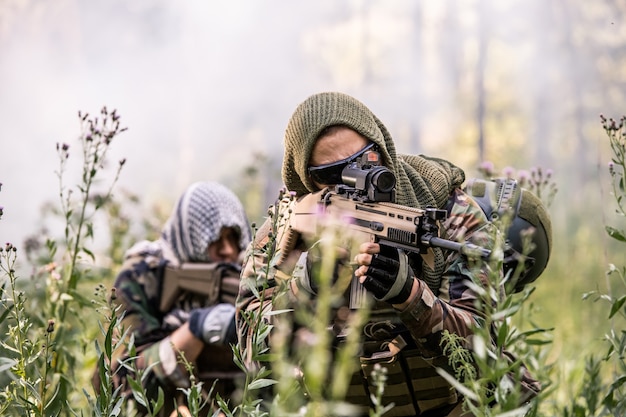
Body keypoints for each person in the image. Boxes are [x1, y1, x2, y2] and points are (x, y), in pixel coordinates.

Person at [236, 92, 540, 416]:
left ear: (381, 148)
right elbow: (252, 353)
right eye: (331, 175)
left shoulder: (449, 212)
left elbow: (484, 349)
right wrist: (302, 289)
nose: (352, 179)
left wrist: (410, 295)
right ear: (307, 179)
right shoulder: (286, 227)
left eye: (364, 161)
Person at [104, 181, 251, 417]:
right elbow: (119, 385)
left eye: (234, 237)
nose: (228, 250)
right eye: (215, 239)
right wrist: (194, 331)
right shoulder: (143, 277)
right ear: (190, 235)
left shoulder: (249, 274)